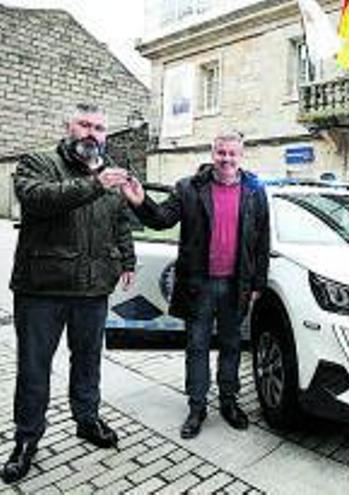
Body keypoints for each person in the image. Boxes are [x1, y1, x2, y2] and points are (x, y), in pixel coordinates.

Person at [0, 103, 136, 483]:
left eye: (100, 127)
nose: (93, 133)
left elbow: (120, 220)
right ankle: (26, 439)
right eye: (85, 124)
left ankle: (87, 420)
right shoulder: (37, 162)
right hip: (42, 288)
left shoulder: (110, 173)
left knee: (88, 361)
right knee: (34, 368)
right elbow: (38, 199)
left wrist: (127, 259)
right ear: (68, 128)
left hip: (93, 289)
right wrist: (96, 184)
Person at [121, 132, 270, 438]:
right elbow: (162, 218)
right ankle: (197, 406)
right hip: (199, 284)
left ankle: (229, 402)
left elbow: (262, 240)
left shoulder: (255, 190)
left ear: (241, 156)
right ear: (212, 153)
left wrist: (258, 282)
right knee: (197, 347)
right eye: (221, 153)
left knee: (231, 346)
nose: (226, 159)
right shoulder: (189, 187)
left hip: (236, 284)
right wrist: (140, 201)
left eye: (232, 153)